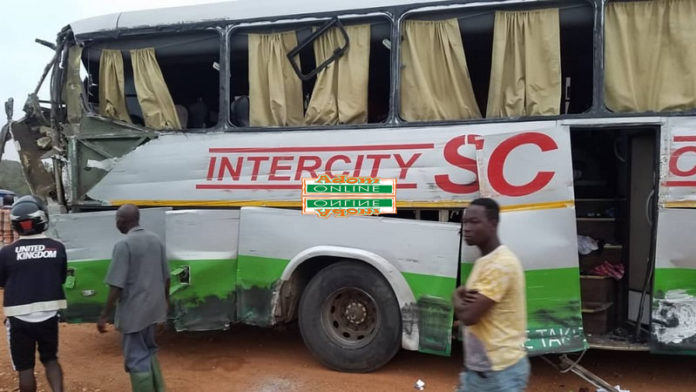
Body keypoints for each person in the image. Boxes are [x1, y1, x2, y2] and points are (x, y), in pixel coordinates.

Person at [453, 198, 529, 392]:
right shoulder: (485, 261)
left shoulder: (500, 264)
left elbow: (469, 316)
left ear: (493, 224)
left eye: (474, 222)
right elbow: (470, 311)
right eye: (465, 222)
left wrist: (456, 298)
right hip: (480, 371)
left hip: (500, 375)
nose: (467, 228)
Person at [97, 204, 169, 392]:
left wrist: (105, 315)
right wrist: (164, 304)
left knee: (136, 357)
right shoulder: (156, 240)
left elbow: (116, 285)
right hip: (154, 309)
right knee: (150, 349)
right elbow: (166, 277)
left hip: (134, 312)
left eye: (117, 219)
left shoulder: (124, 245)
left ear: (122, 221)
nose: (116, 223)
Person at [0, 195, 66, 392]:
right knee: (51, 360)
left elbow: (2, 282)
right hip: (49, 314)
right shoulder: (58, 247)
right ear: (43, 219)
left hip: (19, 316)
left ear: (15, 225)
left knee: (25, 369)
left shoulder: (5, 253)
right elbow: (60, 277)